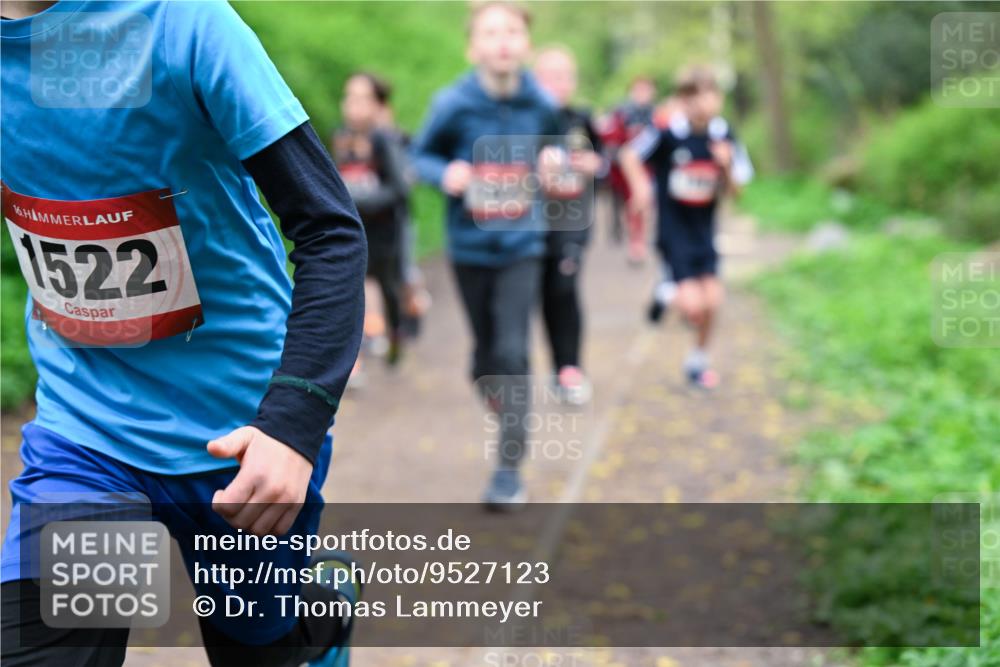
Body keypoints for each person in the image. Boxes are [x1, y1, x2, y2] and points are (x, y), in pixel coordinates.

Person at [1, 2, 365, 666]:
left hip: (241, 438)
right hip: (88, 431)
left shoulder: (184, 23)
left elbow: (331, 231)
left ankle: (319, 621)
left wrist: (292, 425)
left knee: (262, 645)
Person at [411, 0, 558, 510]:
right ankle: (504, 402)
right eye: (491, 32)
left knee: (514, 352)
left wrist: (555, 162)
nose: (502, 41)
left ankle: (508, 470)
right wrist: (443, 173)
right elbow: (419, 154)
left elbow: (559, 147)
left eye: (512, 31)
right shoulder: (453, 103)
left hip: (523, 243)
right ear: (474, 46)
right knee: (484, 359)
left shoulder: (541, 103)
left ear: (526, 43)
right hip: (471, 247)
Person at [621, 65, 754, 389]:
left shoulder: (724, 135)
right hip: (673, 232)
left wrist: (725, 167)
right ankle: (669, 289)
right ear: (682, 100)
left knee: (713, 302)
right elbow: (628, 155)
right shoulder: (668, 132)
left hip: (704, 233)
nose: (702, 104)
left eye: (709, 95)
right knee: (693, 304)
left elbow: (737, 192)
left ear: (718, 98)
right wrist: (640, 188)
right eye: (693, 96)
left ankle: (698, 360)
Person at [532, 46, 605, 405]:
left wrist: (593, 165)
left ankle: (570, 367)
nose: (559, 84)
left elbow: (604, 164)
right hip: (529, 226)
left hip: (571, 225)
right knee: (539, 296)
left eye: (565, 76)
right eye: (550, 75)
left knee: (564, 290)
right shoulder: (525, 118)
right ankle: (527, 370)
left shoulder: (582, 118)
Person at [333, 72, 410, 371]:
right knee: (349, 290)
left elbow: (398, 188)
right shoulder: (340, 136)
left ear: (378, 105)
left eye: (363, 99)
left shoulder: (384, 139)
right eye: (349, 98)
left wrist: (359, 201)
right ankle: (354, 360)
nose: (354, 106)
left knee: (389, 288)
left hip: (384, 232)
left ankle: (395, 339)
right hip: (352, 231)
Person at [600, 76, 657, 264]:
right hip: (622, 171)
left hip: (647, 169)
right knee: (626, 205)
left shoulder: (655, 115)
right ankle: (630, 238)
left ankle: (638, 242)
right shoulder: (622, 114)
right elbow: (609, 138)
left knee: (640, 205)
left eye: (646, 89)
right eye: (638, 89)